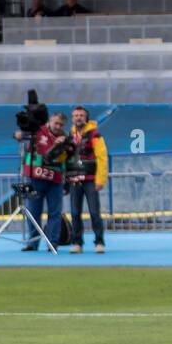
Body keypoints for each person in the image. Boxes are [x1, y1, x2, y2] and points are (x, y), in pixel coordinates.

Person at [20, 111, 71, 252]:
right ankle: (32, 243)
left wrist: (62, 146)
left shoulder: (66, 138)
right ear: (50, 121)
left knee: (54, 213)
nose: (58, 126)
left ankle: (52, 243)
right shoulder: (37, 131)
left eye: (61, 124)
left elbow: (67, 159)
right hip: (35, 178)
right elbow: (22, 136)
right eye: (56, 123)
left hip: (55, 181)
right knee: (32, 212)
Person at [65, 105, 107, 253]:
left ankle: (99, 242)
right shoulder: (69, 136)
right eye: (76, 115)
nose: (78, 118)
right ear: (72, 118)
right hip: (74, 180)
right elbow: (65, 157)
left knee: (94, 212)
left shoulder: (94, 134)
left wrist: (100, 180)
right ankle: (77, 243)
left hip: (90, 179)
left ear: (86, 118)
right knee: (75, 213)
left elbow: (102, 157)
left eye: (81, 115)